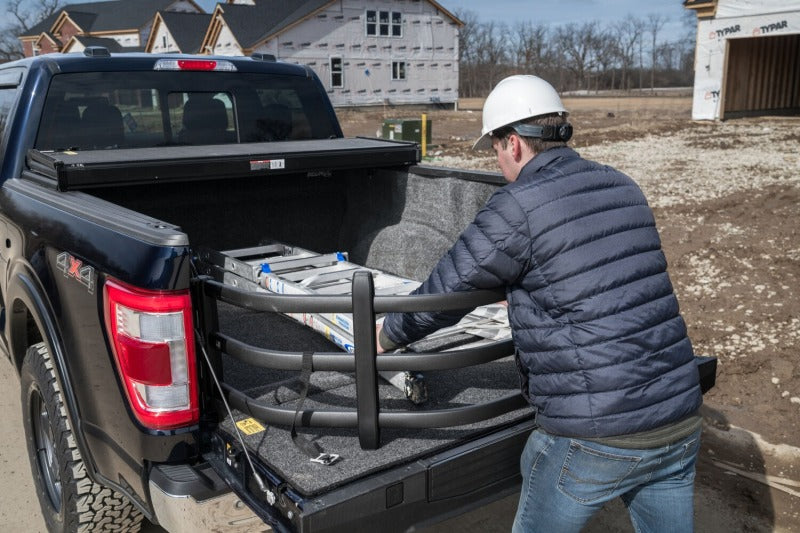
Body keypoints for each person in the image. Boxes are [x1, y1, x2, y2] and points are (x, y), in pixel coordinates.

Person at [376, 75, 703, 532]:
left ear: (512, 143)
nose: (497, 161)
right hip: (679, 418)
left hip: (595, 435)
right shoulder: (621, 184)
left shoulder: (518, 204)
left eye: (495, 149)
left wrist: (387, 335)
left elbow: (446, 291)